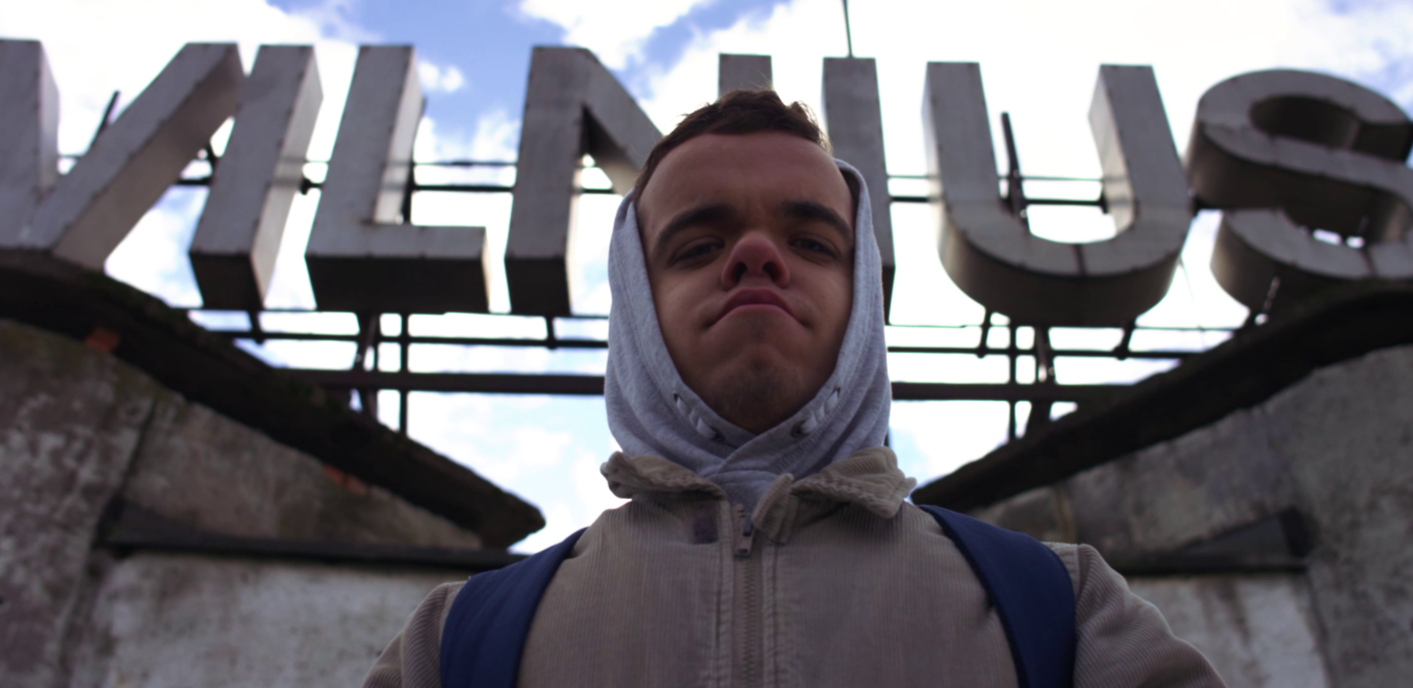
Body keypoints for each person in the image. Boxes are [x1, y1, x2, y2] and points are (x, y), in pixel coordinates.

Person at [363, 90, 1225, 688]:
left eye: (811, 242)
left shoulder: (1064, 609)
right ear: (634, 300)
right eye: (698, 246)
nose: (756, 256)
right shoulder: (458, 642)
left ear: (864, 294)